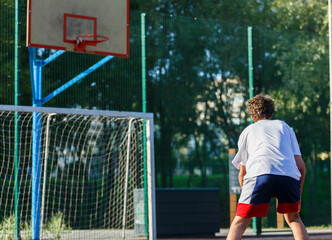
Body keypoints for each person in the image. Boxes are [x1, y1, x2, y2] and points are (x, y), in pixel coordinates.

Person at [226, 94, 309, 240]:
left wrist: (247, 201)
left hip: (259, 174)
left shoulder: (248, 131)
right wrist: (298, 196)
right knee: (294, 219)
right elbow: (301, 166)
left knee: (239, 222)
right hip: (288, 176)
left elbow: (242, 173)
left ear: (252, 116)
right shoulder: (285, 127)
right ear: (271, 113)